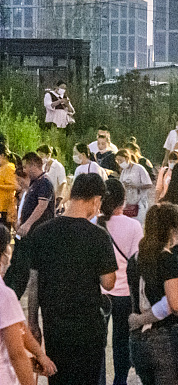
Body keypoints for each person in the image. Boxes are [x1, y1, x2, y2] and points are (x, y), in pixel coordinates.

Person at [26, 173, 117, 385]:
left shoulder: (42, 232)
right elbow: (108, 283)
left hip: (54, 325)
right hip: (88, 328)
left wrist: (33, 322)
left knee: (58, 378)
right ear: (96, 200)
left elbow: (34, 282)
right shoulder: (98, 235)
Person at [127, 202, 178, 385]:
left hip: (138, 341)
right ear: (172, 230)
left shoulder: (134, 259)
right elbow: (175, 304)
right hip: (164, 339)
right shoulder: (168, 260)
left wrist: (138, 320)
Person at [96, 179, 143, 385]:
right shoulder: (134, 226)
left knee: (98, 341)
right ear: (123, 200)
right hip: (124, 293)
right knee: (121, 342)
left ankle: (99, 380)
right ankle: (120, 381)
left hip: (100, 291)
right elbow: (136, 263)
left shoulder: (94, 223)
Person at [0, 225, 57, 385]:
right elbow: (17, 354)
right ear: (4, 253)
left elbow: (17, 327)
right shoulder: (4, 295)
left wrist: (39, 354)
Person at [3, 152, 57, 297]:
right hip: (24, 234)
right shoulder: (34, 183)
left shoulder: (45, 183)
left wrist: (27, 224)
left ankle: (14, 296)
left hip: (36, 234)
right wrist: (20, 220)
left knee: (24, 269)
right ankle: (7, 293)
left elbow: (41, 206)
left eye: (26, 166)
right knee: (16, 264)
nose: (25, 170)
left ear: (33, 165)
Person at [116, 147, 153, 222]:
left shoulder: (139, 168)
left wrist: (136, 186)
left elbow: (149, 184)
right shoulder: (124, 171)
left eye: (121, 160)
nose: (119, 163)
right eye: (117, 161)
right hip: (128, 202)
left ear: (127, 158)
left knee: (138, 223)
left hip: (140, 203)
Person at [0, 144, 16, 230]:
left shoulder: (9, 167)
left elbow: (14, 186)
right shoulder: (2, 168)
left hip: (5, 208)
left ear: (2, 155)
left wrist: (1, 186)